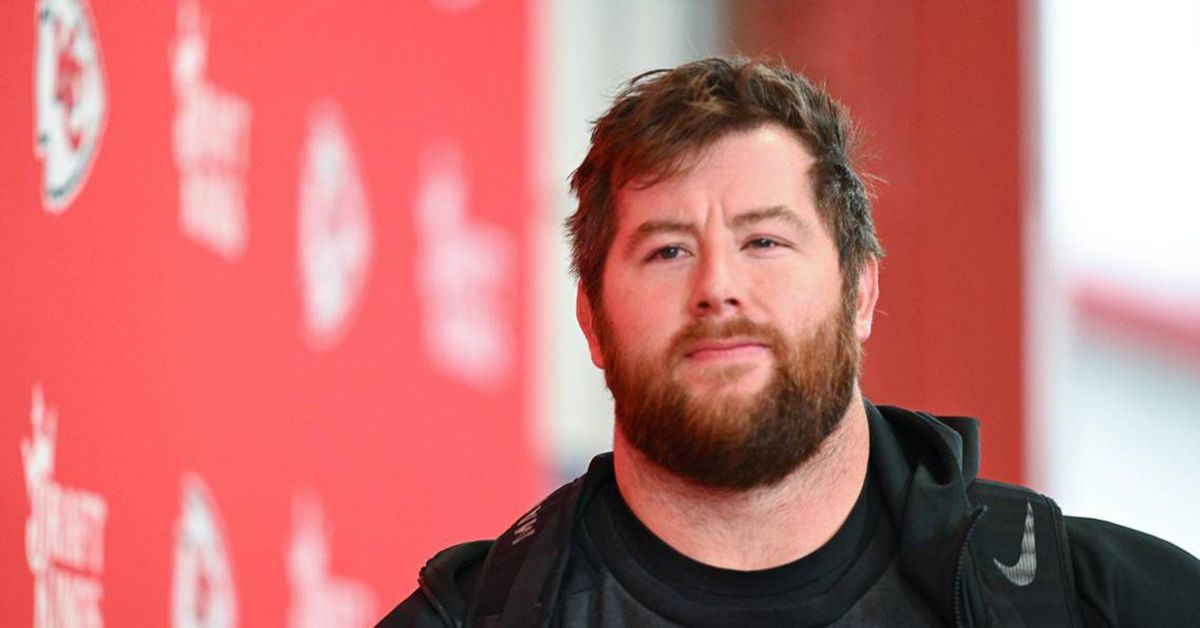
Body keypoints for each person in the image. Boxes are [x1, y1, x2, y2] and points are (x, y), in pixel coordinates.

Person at [378, 57, 1200, 627]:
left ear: (861, 292)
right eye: (667, 251)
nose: (717, 286)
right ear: (591, 320)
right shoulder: (469, 619)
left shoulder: (1106, 606)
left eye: (764, 241)